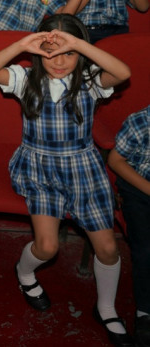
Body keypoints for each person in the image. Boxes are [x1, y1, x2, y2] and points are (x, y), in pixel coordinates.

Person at [0, 15, 134, 345]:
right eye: (50, 52)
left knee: (107, 248)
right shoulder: (26, 78)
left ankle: (106, 308)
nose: (58, 62)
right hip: (38, 166)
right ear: (38, 52)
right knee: (47, 247)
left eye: (67, 53)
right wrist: (23, 43)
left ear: (80, 53)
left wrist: (78, 43)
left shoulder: (89, 80)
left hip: (82, 167)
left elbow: (123, 73)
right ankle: (24, 273)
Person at [108, 104, 150, 347]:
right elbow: (115, 161)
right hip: (138, 186)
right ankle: (145, 312)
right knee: (145, 249)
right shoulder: (141, 121)